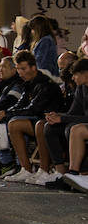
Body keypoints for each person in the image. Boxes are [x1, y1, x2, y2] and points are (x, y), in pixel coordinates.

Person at [35, 57, 88, 187]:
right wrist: (57, 116)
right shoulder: (82, 88)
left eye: (75, 74)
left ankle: (76, 174)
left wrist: (63, 118)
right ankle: (61, 172)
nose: (73, 78)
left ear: (86, 74)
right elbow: (73, 113)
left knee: (74, 129)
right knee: (50, 127)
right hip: (83, 123)